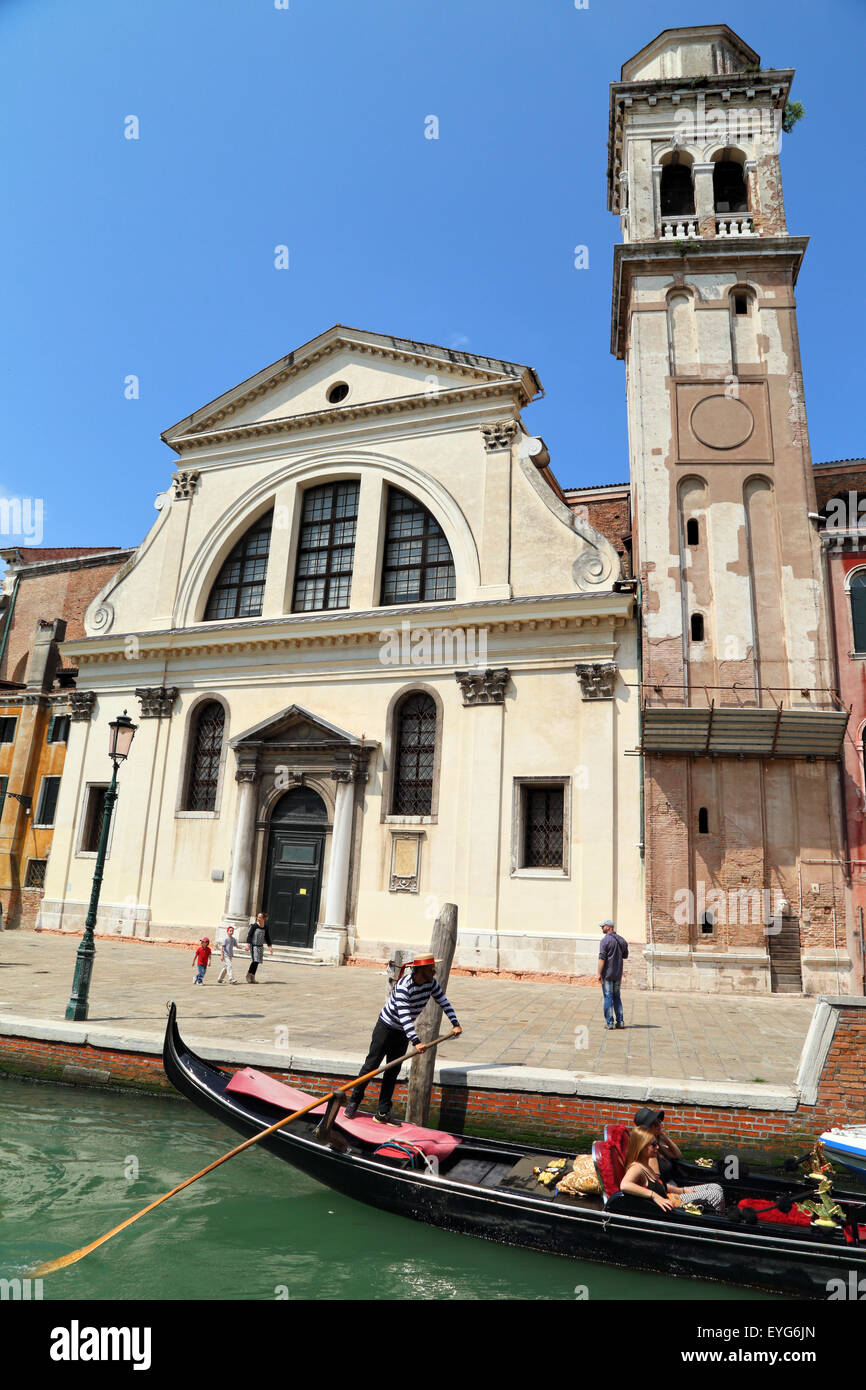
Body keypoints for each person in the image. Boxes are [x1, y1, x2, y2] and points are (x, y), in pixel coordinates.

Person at [343, 952, 463, 1124]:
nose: (434, 972)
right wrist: (416, 1042)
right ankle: (353, 1102)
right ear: (421, 971)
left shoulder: (430, 983)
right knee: (371, 1066)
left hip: (401, 1033)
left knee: (393, 1072)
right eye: (431, 970)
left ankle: (382, 1113)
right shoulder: (404, 987)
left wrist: (455, 1023)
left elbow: (443, 1001)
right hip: (385, 1028)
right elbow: (405, 1017)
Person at [620, 1127, 725, 1213]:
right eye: (653, 1144)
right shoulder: (636, 1168)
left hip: (674, 1197)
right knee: (715, 1194)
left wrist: (682, 1190)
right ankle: (717, 1220)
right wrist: (654, 1196)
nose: (657, 1147)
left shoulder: (646, 1164)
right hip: (675, 1206)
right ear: (641, 1147)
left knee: (716, 1187)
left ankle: (717, 1215)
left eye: (656, 1143)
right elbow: (624, 1185)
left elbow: (661, 1185)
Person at [634, 1105, 682, 1185]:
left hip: (673, 1186)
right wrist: (683, 1191)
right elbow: (657, 1183)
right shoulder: (650, 1152)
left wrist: (663, 1137)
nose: (659, 1125)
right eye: (655, 1124)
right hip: (669, 1192)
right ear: (647, 1129)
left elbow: (677, 1154)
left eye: (659, 1122)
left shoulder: (658, 1146)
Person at [597, 918, 628, 1029]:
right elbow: (625, 955)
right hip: (618, 974)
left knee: (608, 997)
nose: (602, 928)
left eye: (603, 926)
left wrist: (599, 973)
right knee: (617, 997)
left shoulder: (605, 941)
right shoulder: (622, 940)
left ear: (609, 927)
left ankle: (610, 1023)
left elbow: (602, 959)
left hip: (607, 974)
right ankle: (620, 1022)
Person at [245, 911, 273, 983]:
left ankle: (253, 976)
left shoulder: (266, 927)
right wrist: (247, 944)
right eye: (258, 917)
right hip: (254, 946)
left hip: (260, 947)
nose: (258, 918)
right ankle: (248, 975)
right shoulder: (254, 926)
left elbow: (267, 937)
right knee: (254, 961)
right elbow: (250, 935)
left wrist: (270, 946)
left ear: (264, 919)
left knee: (257, 962)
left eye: (260, 917)